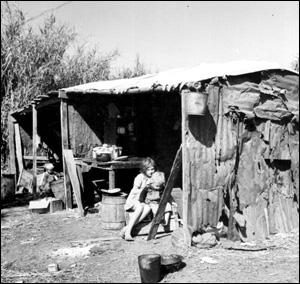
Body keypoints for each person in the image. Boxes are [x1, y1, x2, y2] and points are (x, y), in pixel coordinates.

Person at [120, 157, 156, 241]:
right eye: (149, 169)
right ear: (144, 169)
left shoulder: (153, 178)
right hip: (133, 200)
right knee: (140, 207)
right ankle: (128, 232)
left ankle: (127, 228)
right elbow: (134, 190)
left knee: (148, 208)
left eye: (153, 169)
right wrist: (144, 189)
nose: (152, 171)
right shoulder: (140, 177)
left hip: (142, 201)